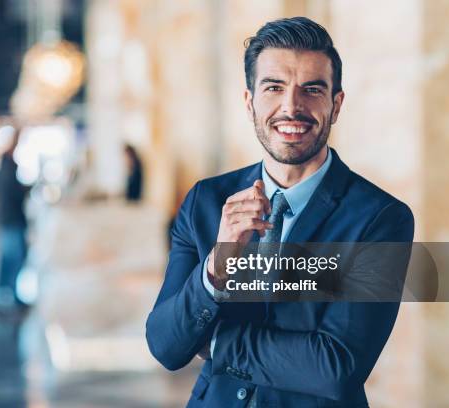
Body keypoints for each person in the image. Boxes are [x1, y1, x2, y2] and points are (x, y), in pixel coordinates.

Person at [146, 17, 414, 407]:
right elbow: (166, 344)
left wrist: (218, 340)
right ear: (249, 101)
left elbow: (337, 367)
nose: (292, 107)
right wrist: (217, 267)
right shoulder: (206, 200)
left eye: (312, 89)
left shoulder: (380, 218)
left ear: (335, 105)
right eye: (274, 87)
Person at [0, 128, 29, 314]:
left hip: (11, 217)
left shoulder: (7, 163)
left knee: (12, 258)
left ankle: (7, 295)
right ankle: (5, 296)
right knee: (12, 258)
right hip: (11, 218)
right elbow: (10, 193)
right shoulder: (7, 164)